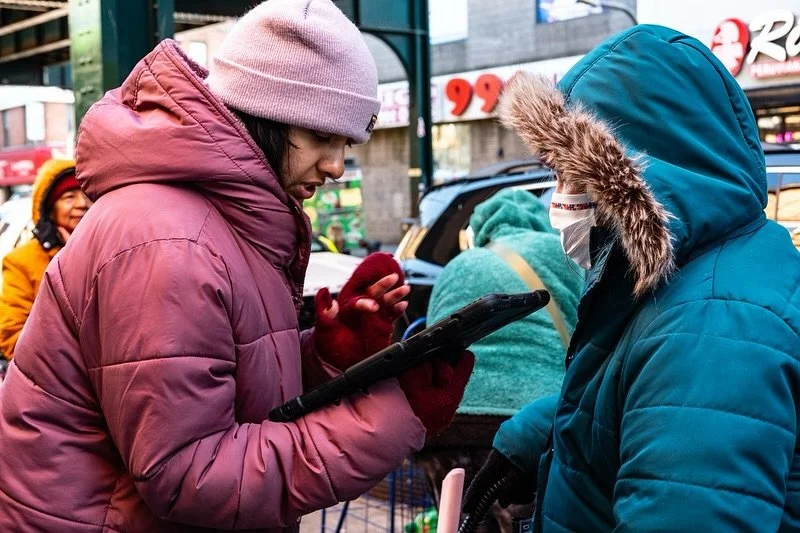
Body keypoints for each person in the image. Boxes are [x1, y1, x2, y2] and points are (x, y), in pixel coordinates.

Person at [0, 0, 474, 531]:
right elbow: (190, 474)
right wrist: (390, 417)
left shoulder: (215, 223)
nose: (337, 166)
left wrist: (324, 356)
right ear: (264, 114)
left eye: (346, 142)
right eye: (322, 136)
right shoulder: (170, 240)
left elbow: (217, 384)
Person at [463, 25, 800, 532]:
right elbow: (645, 399)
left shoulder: (711, 324)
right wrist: (536, 436)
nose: (560, 197)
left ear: (634, 176)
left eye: (574, 173)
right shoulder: (694, 275)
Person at [414, 188, 584, 532]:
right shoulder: (560, 255)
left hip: (448, 426)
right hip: (529, 422)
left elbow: (432, 350)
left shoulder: (459, 265)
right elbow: (588, 341)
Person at [0, 159, 91, 360]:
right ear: (49, 210)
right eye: (69, 197)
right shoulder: (21, 262)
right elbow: (13, 339)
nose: (82, 204)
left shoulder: (107, 251)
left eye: (86, 195)